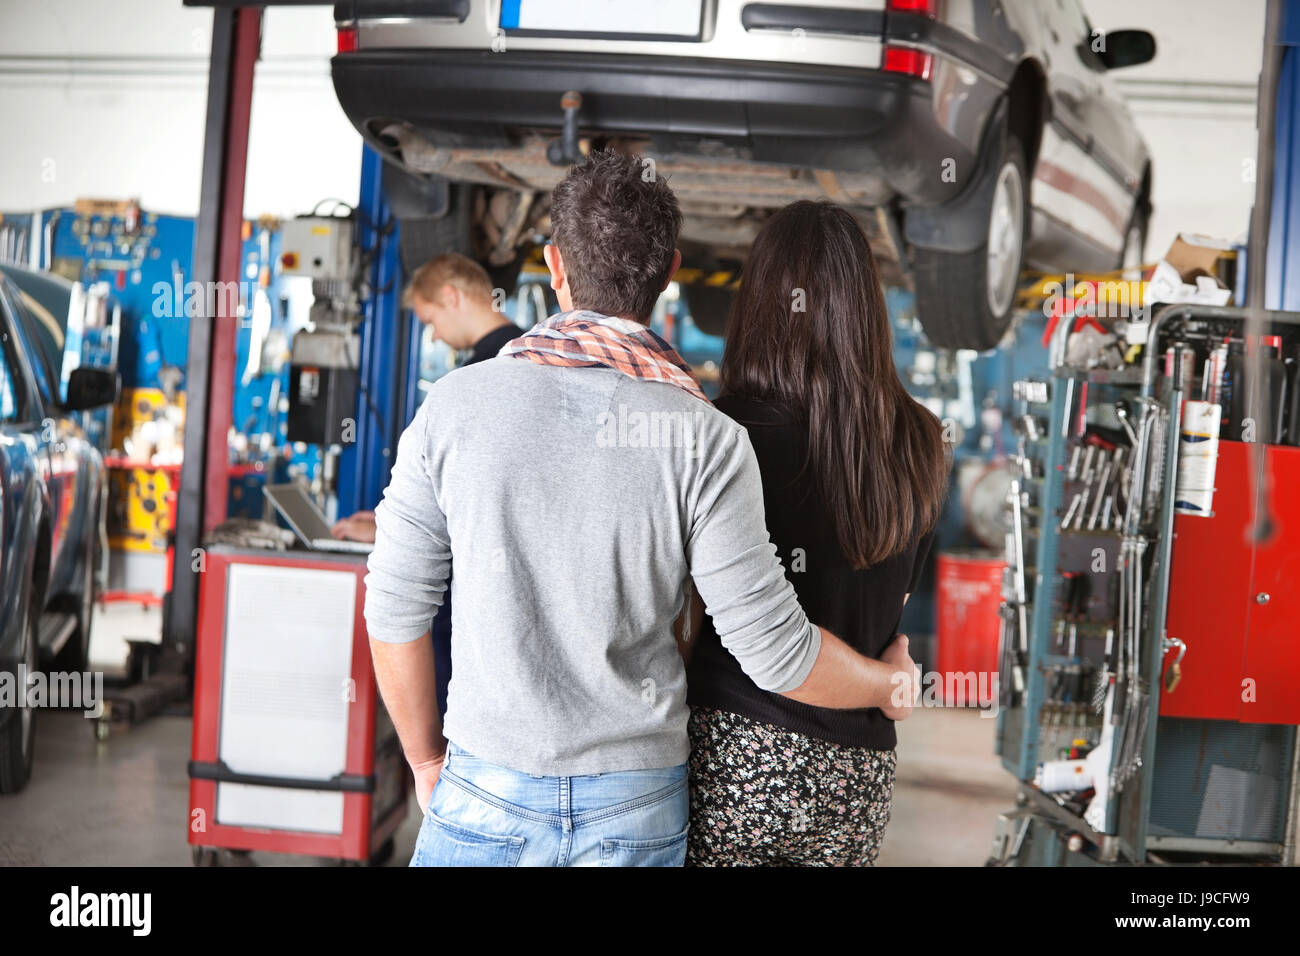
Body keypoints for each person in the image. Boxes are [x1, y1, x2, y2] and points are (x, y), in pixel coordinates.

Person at [362, 151, 921, 867]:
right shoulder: (706, 437)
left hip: (487, 783)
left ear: (555, 266)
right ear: (671, 270)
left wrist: (426, 761)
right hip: (634, 805)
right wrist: (891, 682)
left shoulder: (454, 408)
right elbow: (774, 650)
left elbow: (394, 607)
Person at [683, 200, 949, 866]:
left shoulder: (720, 435)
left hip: (730, 756)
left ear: (758, 304)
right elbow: (897, 603)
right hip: (857, 777)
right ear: (866, 305)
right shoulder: (921, 439)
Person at [332, 253, 524, 718]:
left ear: (452, 297)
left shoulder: (477, 379)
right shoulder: (527, 356)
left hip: (471, 591)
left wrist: (393, 533)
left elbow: (468, 495)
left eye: (431, 319)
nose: (434, 334)